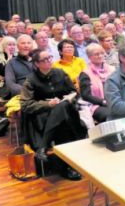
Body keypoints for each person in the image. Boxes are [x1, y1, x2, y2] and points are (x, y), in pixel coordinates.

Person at [20, 49, 85, 180]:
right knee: (63, 120)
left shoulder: (60, 73)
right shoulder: (31, 80)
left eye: (50, 58)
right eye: (44, 60)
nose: (49, 61)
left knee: (63, 106)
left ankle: (44, 146)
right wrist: (47, 104)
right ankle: (67, 167)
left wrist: (69, 96)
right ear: (37, 64)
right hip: (43, 114)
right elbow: (26, 105)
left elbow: (73, 91)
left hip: (64, 110)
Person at [78, 43, 114, 125]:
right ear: (89, 57)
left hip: (114, 101)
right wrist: (103, 102)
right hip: (96, 105)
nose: (100, 56)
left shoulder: (112, 69)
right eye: (96, 54)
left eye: (102, 53)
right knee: (111, 115)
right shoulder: (85, 73)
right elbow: (86, 95)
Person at [0, 36, 16, 101]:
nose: (12, 47)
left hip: (17, 84)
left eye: (14, 45)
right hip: (3, 87)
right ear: (4, 46)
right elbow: (3, 73)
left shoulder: (18, 57)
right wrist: (9, 59)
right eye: (9, 45)